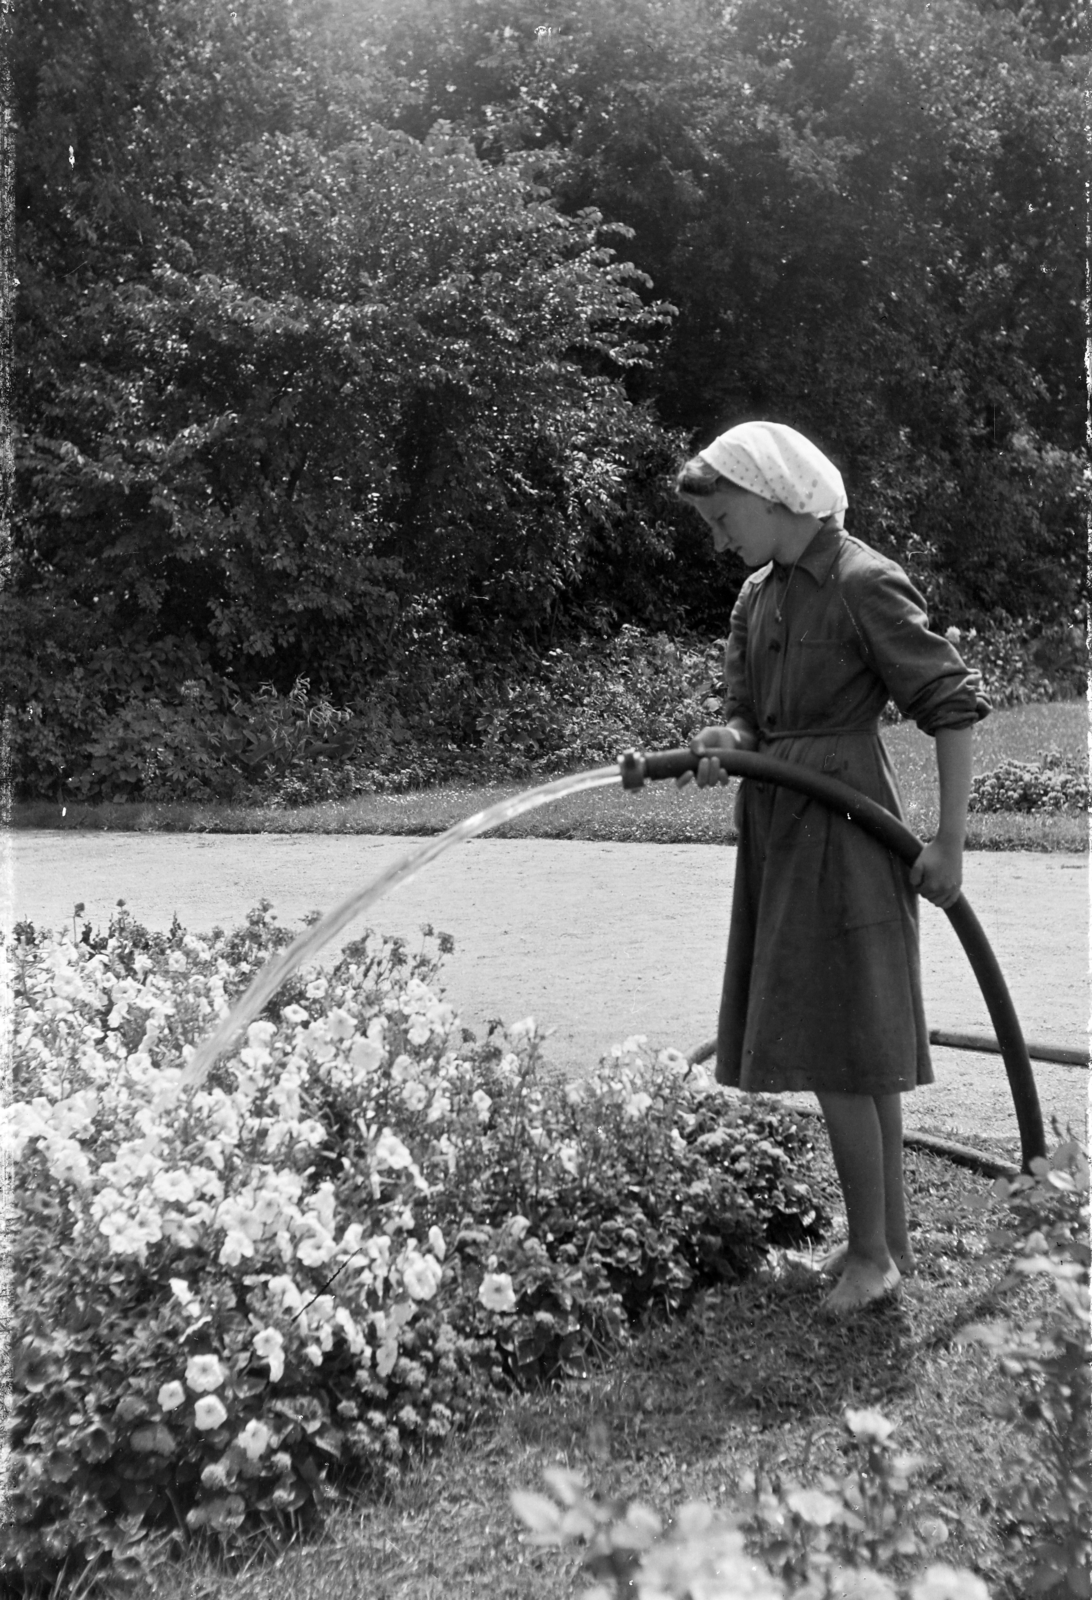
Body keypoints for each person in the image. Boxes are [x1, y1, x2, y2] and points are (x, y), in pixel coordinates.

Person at [674, 420, 987, 1314]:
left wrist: (949, 842)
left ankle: (873, 1259)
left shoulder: (862, 582)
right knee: (848, 1048)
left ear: (778, 500)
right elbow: (743, 714)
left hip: (848, 823)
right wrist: (723, 740)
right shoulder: (757, 598)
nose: (721, 538)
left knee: (846, 1046)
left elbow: (950, 705)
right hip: (779, 822)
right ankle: (881, 1246)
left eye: (727, 518)